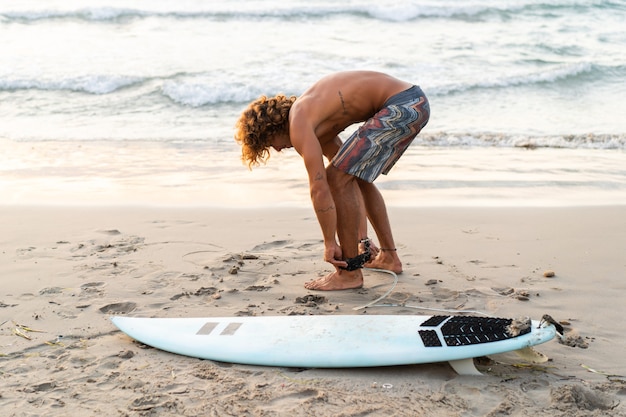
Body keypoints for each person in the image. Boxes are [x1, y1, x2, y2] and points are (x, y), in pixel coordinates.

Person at [234, 71, 430, 291]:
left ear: (271, 129)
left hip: (401, 106)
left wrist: (329, 243)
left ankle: (349, 274)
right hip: (414, 102)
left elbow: (319, 189)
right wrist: (362, 240)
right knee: (349, 176)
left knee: (335, 179)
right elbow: (352, 179)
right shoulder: (315, 119)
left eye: (270, 143)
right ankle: (389, 258)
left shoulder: (299, 122)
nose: (278, 149)